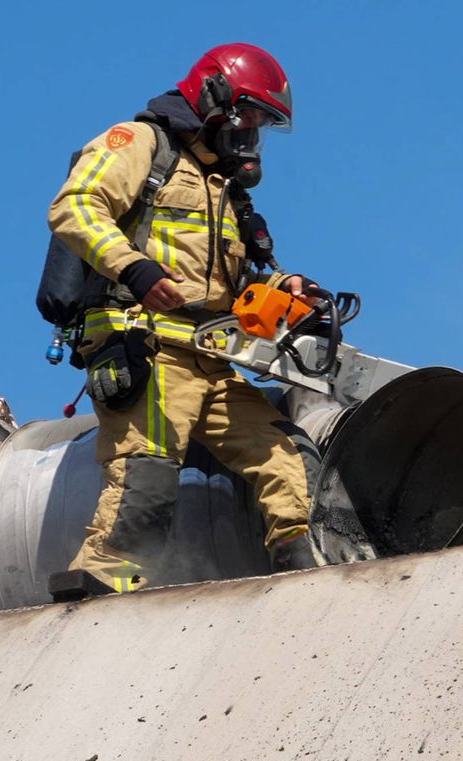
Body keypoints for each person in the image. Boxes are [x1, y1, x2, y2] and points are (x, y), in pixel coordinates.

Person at [47, 43, 324, 599]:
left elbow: (231, 286)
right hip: (144, 342)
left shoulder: (225, 190)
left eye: (263, 124)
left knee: (292, 457)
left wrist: (286, 291)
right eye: (250, 115)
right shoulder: (141, 144)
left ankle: (306, 569)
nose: (252, 132)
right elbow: (74, 206)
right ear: (214, 95)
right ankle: (103, 580)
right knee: (146, 473)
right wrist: (136, 268)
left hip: (211, 354)